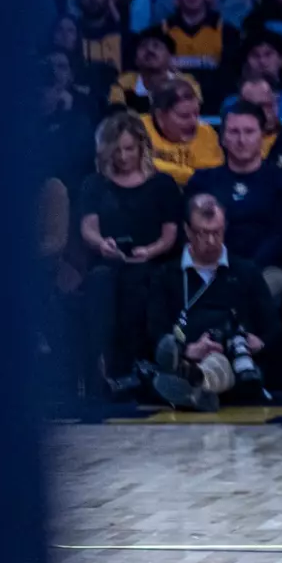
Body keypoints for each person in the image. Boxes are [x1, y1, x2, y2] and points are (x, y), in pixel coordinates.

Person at [76, 112, 182, 393]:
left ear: (141, 147)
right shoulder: (94, 185)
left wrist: (150, 250)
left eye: (129, 149)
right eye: (116, 150)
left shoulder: (162, 185)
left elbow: (170, 234)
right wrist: (102, 244)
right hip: (109, 261)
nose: (123, 157)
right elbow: (88, 227)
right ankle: (99, 367)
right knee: (100, 281)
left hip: (154, 261)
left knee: (139, 280)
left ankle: (137, 366)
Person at [145, 194, 278, 410]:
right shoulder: (167, 274)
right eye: (202, 233)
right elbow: (156, 329)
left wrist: (258, 343)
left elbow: (273, 327)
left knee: (225, 365)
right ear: (187, 230)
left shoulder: (246, 271)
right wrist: (188, 349)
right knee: (174, 360)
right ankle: (197, 385)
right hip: (187, 354)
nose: (211, 242)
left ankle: (195, 386)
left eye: (217, 232)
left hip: (235, 361)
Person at [187, 102, 282, 305]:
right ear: (222, 138)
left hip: (267, 267)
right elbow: (191, 232)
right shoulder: (203, 181)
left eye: (249, 132)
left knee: (252, 290)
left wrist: (244, 270)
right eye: (234, 132)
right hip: (210, 264)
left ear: (262, 137)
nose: (241, 140)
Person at [142, 79, 223, 186]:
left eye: (196, 114)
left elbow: (209, 179)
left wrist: (157, 167)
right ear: (160, 116)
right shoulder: (139, 129)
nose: (194, 122)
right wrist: (188, 173)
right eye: (184, 116)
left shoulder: (206, 132)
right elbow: (136, 167)